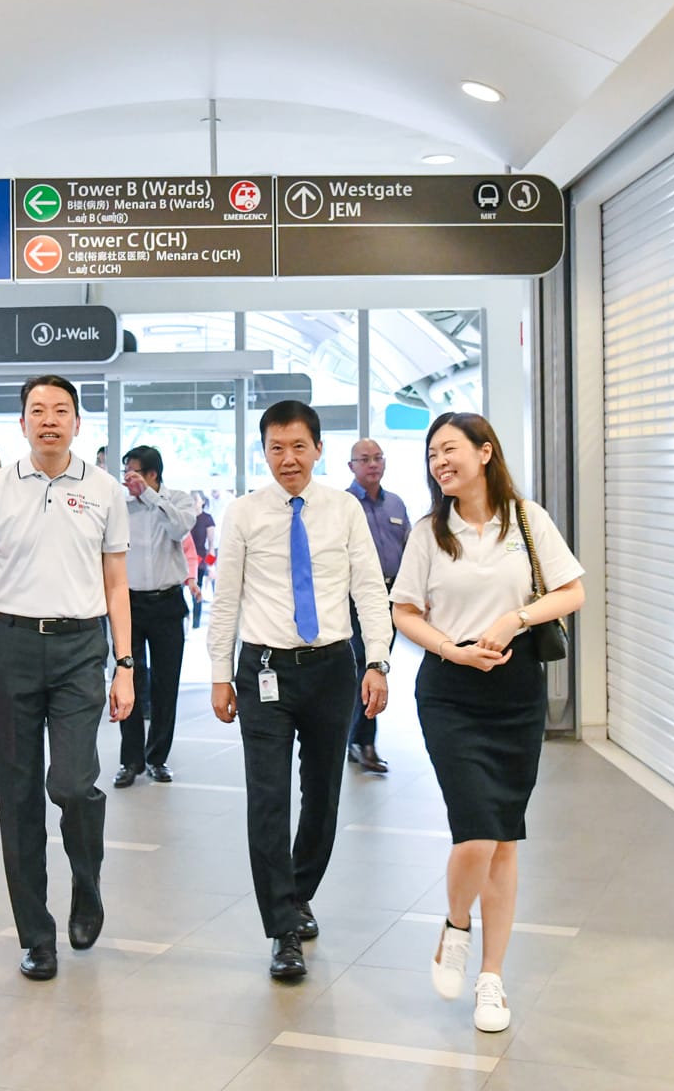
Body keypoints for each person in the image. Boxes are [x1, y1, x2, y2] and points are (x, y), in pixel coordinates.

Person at [389, 413, 584, 1034]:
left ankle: (492, 979)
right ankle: (455, 926)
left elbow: (571, 591)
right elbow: (405, 612)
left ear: (484, 452)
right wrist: (451, 648)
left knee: (504, 838)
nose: (438, 462)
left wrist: (514, 621)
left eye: (449, 450)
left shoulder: (526, 521)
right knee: (475, 830)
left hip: (516, 691)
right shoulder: (429, 532)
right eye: (431, 454)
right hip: (450, 692)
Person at [0, 377, 135, 981]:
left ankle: (87, 883)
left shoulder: (105, 490)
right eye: (38, 410)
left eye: (61, 410)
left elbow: (115, 584)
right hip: (12, 648)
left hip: (83, 647)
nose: (49, 420)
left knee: (74, 782)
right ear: (22, 422)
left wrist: (125, 665)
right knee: (18, 795)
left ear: (78, 423)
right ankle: (37, 935)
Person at [206, 400, 391, 982]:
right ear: (264, 452)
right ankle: (282, 927)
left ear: (317, 449)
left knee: (323, 796)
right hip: (262, 669)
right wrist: (218, 670)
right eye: (276, 448)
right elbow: (226, 596)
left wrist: (378, 661)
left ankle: (299, 891)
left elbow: (368, 587)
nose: (288, 459)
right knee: (267, 798)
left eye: (298, 447)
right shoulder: (244, 513)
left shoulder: (342, 511)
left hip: (332, 666)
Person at [114, 445, 196, 788]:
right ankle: (130, 760)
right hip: (128, 604)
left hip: (167, 603)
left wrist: (149, 496)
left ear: (152, 475)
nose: (128, 481)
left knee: (166, 683)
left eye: (134, 473)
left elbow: (180, 529)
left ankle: (157, 758)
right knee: (128, 679)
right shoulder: (119, 506)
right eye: (126, 474)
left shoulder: (179, 500)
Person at [345, 438, 409, 773]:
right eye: (365, 459)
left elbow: (410, 551)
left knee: (377, 666)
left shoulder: (396, 505)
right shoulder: (343, 505)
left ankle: (357, 739)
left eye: (378, 458)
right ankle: (361, 741)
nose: (373, 464)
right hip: (353, 601)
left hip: (391, 598)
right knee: (363, 667)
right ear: (351, 466)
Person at [189, 492, 216, 627]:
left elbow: (211, 546)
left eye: (195, 499)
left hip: (199, 560)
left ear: (203, 501)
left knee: (196, 592)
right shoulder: (187, 518)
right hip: (185, 560)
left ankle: (195, 623)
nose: (193, 502)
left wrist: (211, 566)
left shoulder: (207, 519)